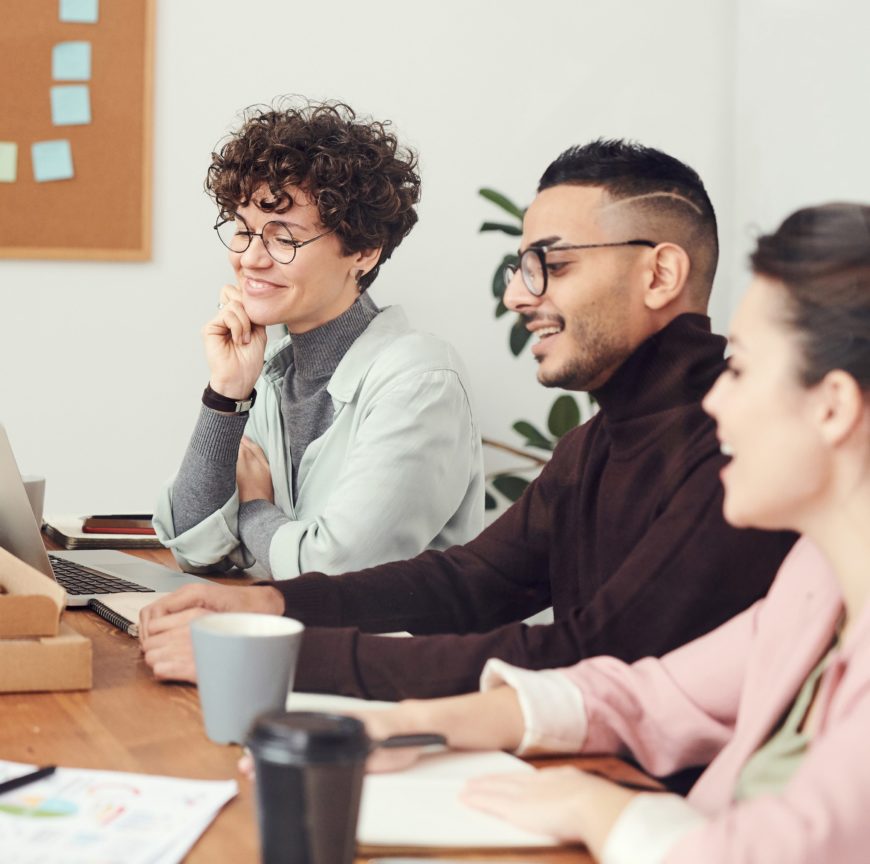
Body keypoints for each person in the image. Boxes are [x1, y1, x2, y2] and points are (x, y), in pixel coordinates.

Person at [141, 139, 795, 697]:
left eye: (554, 265)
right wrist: (268, 603)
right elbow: (470, 582)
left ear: (660, 275)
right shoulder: (594, 442)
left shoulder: (737, 450)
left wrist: (268, 654)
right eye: (522, 266)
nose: (516, 294)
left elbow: (591, 659)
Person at [355, 202, 870, 863]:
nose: (714, 400)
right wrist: (416, 723)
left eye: (738, 369)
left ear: (832, 407)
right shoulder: (816, 580)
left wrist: (598, 807)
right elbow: (647, 696)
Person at [153, 99, 484, 581]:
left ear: (364, 252)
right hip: (284, 641)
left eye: (283, 237)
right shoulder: (273, 373)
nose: (251, 258)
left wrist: (252, 507)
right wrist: (227, 394)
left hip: (384, 653)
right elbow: (192, 544)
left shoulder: (421, 381)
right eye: (244, 231)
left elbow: (334, 573)